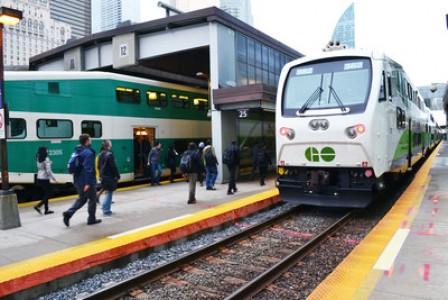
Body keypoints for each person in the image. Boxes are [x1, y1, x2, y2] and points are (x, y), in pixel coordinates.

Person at [63, 134, 101, 227]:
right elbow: (89, 169)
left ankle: (68, 213)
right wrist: (88, 183)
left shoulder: (77, 151)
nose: (91, 141)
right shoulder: (88, 153)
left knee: (82, 199)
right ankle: (91, 219)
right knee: (92, 199)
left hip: (77, 180)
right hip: (87, 181)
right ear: (87, 141)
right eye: (90, 139)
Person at [98, 140, 120, 216]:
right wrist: (117, 175)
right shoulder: (110, 155)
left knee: (107, 192)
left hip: (103, 176)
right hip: (109, 176)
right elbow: (113, 167)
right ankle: (106, 210)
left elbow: (98, 166)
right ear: (108, 146)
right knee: (109, 193)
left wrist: (100, 175)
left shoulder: (100, 154)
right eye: (111, 144)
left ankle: (104, 207)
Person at [34, 147, 57, 215]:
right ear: (44, 151)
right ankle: (38, 205)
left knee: (46, 194)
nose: (48, 151)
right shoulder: (46, 158)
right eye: (47, 150)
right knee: (50, 193)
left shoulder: (38, 158)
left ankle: (46, 210)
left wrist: (49, 163)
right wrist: (53, 178)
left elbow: (42, 167)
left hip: (39, 177)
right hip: (45, 178)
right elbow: (48, 170)